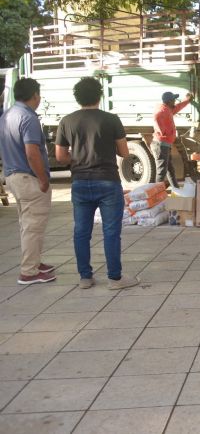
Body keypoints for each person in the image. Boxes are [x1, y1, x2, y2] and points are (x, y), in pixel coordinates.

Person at [55, 77, 139, 290]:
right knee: (111, 232)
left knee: (81, 231)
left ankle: (85, 277)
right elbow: (124, 152)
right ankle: (115, 278)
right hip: (108, 181)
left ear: (77, 97)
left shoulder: (67, 121)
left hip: (80, 182)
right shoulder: (111, 119)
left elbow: (60, 157)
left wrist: (77, 157)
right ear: (99, 95)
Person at [0, 78, 55, 285]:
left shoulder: (7, 115)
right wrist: (42, 179)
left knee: (27, 224)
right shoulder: (28, 118)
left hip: (13, 176)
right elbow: (32, 153)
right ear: (35, 95)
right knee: (33, 226)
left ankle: (33, 262)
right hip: (28, 177)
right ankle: (29, 272)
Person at [152, 91, 193, 189]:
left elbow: (178, 107)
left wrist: (187, 100)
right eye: (173, 99)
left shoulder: (168, 109)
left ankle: (176, 188)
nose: (175, 101)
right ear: (169, 101)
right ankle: (155, 193)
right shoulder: (163, 110)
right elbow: (156, 118)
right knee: (161, 171)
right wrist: (164, 132)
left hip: (164, 144)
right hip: (161, 144)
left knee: (169, 169)